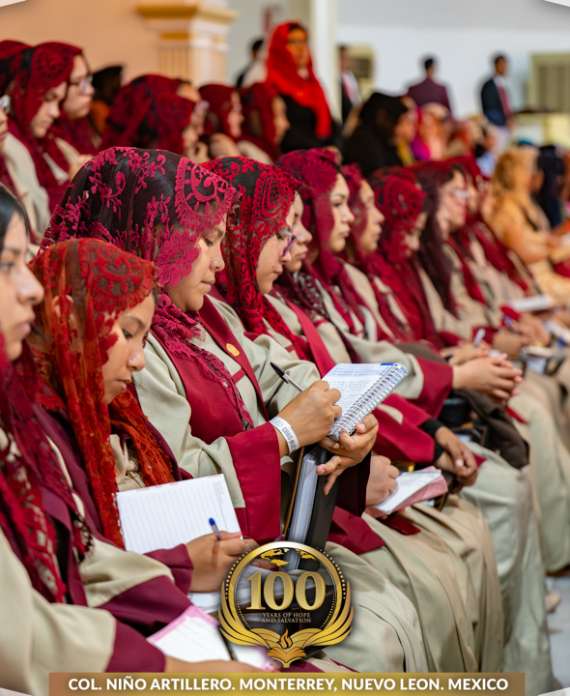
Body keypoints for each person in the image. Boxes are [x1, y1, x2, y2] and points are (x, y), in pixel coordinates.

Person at [45, 146, 433, 674]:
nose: (220, 261)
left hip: (251, 534)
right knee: (377, 632)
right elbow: (169, 482)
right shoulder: (129, 347)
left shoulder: (200, 316)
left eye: (222, 240)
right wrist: (285, 433)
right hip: (215, 551)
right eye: (205, 240)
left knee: (408, 603)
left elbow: (278, 367)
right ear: (157, 235)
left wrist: (343, 417)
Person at [0, 185, 266, 695]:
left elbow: (80, 553)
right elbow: (24, 630)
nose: (29, 289)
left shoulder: (47, 415)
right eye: (9, 264)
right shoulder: (38, 418)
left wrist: (177, 572)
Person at [486, 147, 570, 303]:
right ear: (519, 174)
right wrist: (556, 248)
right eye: (532, 169)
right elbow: (523, 253)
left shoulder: (527, 204)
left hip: (546, 276)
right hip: (535, 284)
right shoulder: (507, 209)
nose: (538, 174)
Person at [265, 21, 340, 152]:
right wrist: (320, 152)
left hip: (320, 153)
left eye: (304, 41)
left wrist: (335, 147)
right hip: (295, 156)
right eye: (293, 42)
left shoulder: (313, 84)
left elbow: (331, 124)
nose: (301, 48)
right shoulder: (271, 86)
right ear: (279, 46)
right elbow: (285, 133)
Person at [343, 92, 416, 176]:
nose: (399, 129)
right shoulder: (365, 142)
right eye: (399, 122)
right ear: (383, 118)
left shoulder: (385, 143)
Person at [239, 82, 290, 162]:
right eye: (278, 114)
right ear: (261, 117)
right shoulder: (247, 154)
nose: (286, 125)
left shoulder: (269, 152)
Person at [480, 54, 513, 152]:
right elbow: (489, 109)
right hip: (496, 126)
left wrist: (511, 119)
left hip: (505, 126)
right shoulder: (488, 86)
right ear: (496, 65)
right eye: (502, 65)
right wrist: (505, 121)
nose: (505, 68)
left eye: (506, 65)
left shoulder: (503, 84)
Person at [339, 45, 360, 123]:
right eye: (342, 58)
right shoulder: (335, 76)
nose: (345, 61)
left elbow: (356, 97)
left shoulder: (350, 77)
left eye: (347, 58)